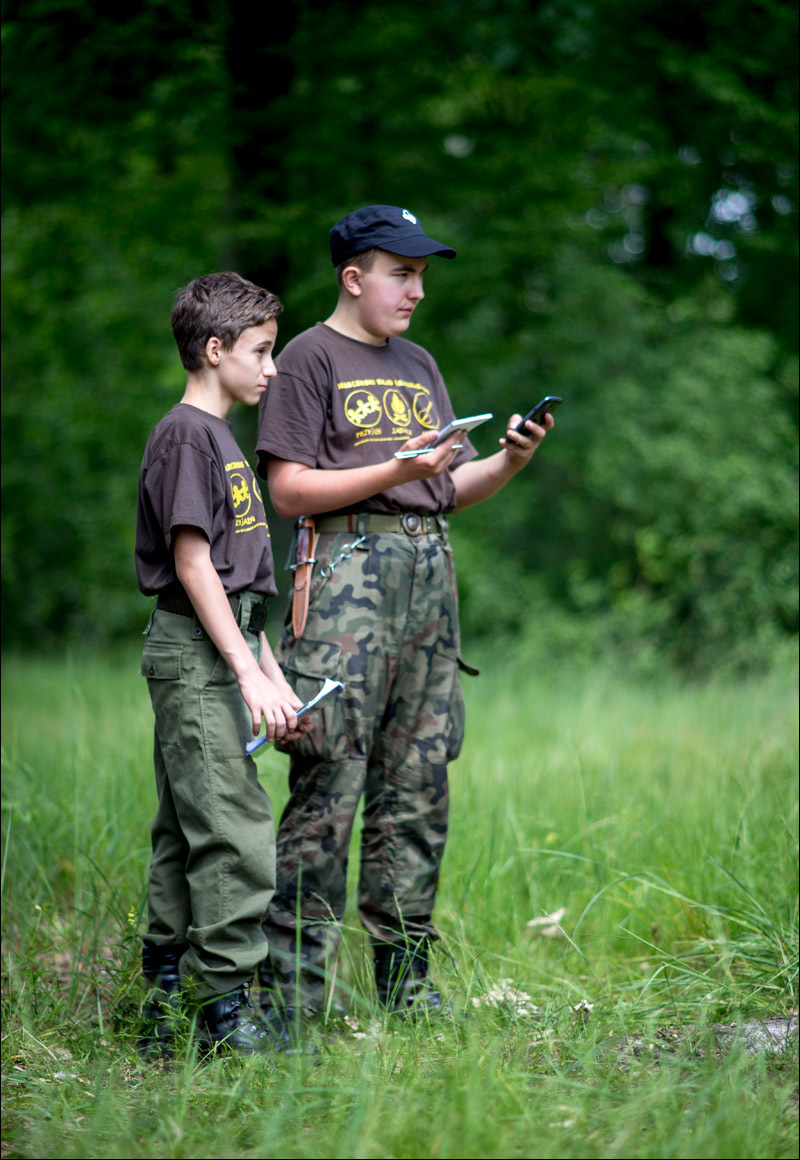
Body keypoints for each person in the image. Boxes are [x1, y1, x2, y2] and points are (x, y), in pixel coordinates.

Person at [255, 205, 553, 1022]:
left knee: (418, 784)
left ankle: (407, 988)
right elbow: (289, 490)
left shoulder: (418, 363)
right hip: (346, 581)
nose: (417, 290)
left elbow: (443, 489)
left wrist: (510, 462)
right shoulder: (308, 357)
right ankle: (292, 1001)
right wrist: (394, 469)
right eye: (402, 274)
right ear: (354, 278)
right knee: (329, 781)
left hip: (428, 579)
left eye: (421, 275)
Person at [134, 271, 311, 1057]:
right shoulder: (185, 435)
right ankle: (223, 1012)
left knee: (188, 824)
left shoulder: (221, 442)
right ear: (214, 350)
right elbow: (194, 564)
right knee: (235, 830)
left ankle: (165, 1002)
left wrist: (272, 679)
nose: (272, 368)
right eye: (261, 351)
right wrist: (243, 673)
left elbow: (243, 589)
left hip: (223, 646)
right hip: (196, 654)